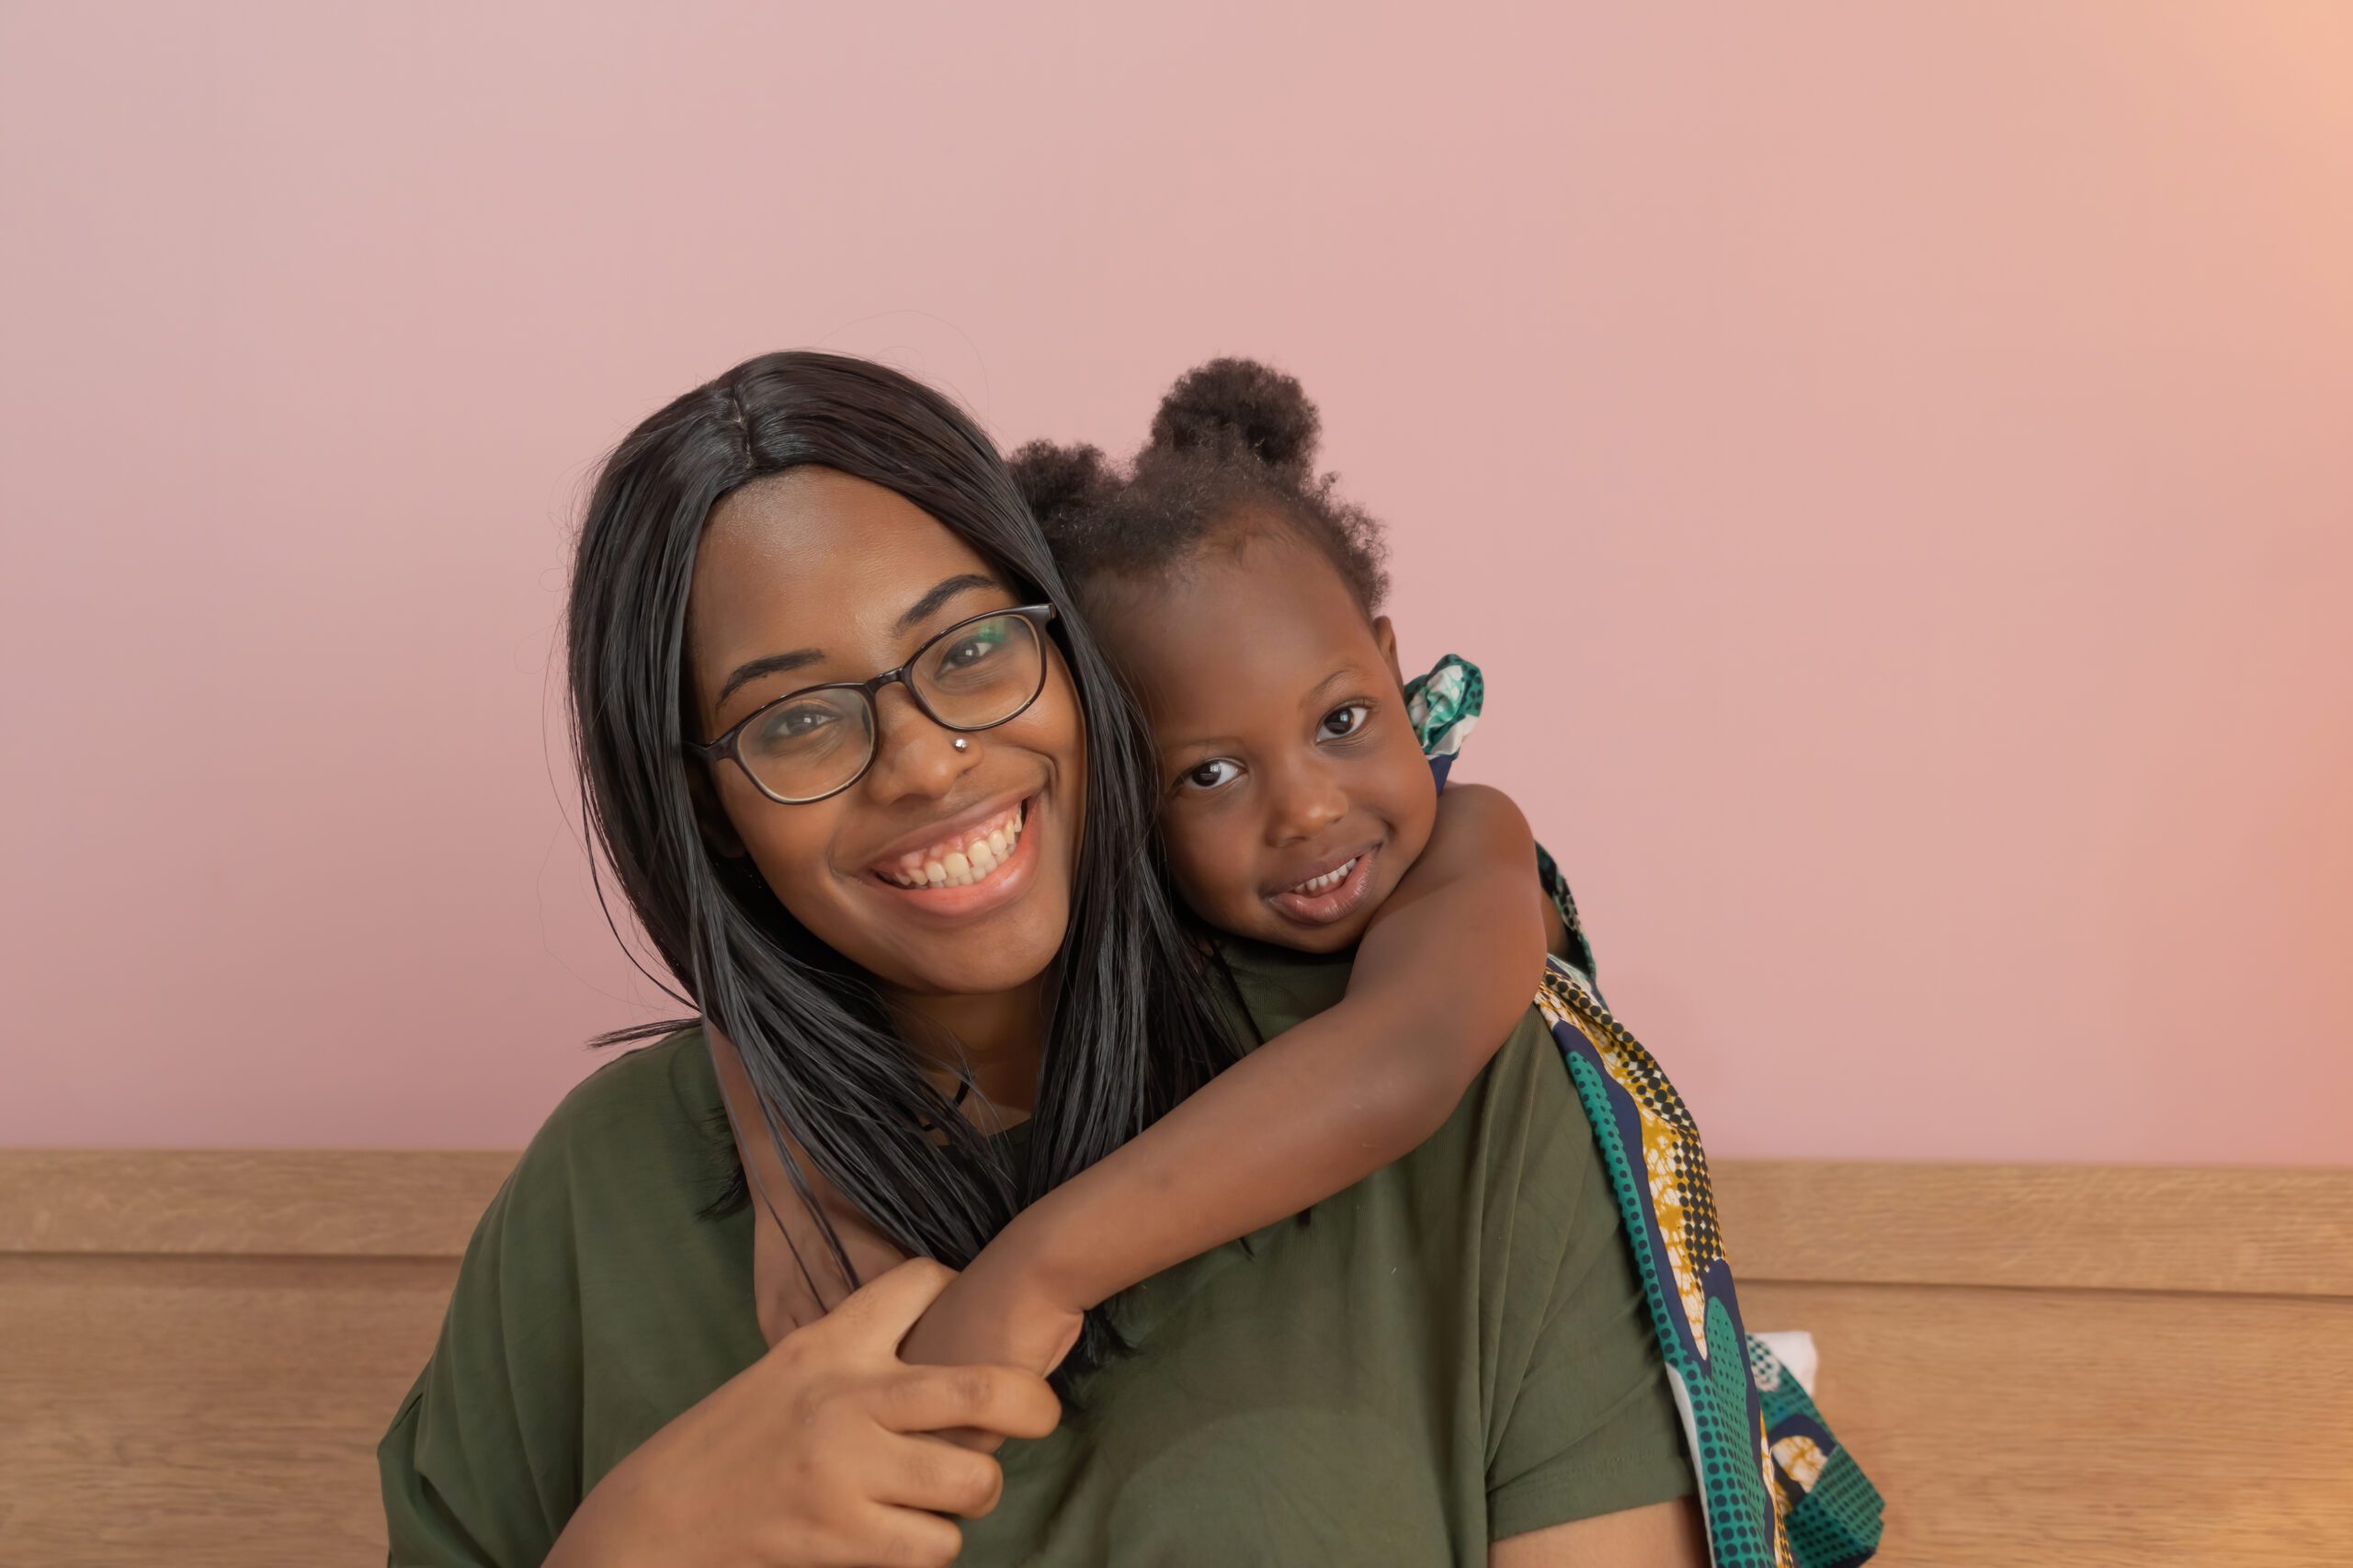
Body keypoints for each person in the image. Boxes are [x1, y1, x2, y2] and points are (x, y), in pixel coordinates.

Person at [381, 349, 1701, 1567]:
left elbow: (1411, 1041)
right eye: (795, 721)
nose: (922, 761)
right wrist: (634, 1541)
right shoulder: (599, 1194)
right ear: (708, 808)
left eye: (970, 649)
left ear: (1073, 666)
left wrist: (1031, 1268)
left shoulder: (1484, 1098)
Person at [727, 359, 1880, 1566]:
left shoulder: (1471, 841)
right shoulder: (1114, 917)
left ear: (1388, 660)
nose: (1310, 810)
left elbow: (1401, 1061)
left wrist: (1038, 1269)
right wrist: (787, 1174)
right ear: (1116, 789)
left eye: (1341, 721)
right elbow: (765, 992)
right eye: (1210, 773)